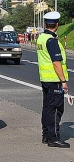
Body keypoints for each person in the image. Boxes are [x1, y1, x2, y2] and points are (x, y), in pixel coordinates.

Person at [36, 11, 70, 148]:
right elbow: (56, 62)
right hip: (54, 80)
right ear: (57, 24)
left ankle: (46, 135)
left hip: (45, 79)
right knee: (55, 109)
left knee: (47, 109)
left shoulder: (41, 38)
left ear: (45, 24)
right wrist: (63, 81)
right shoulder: (51, 40)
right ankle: (53, 138)